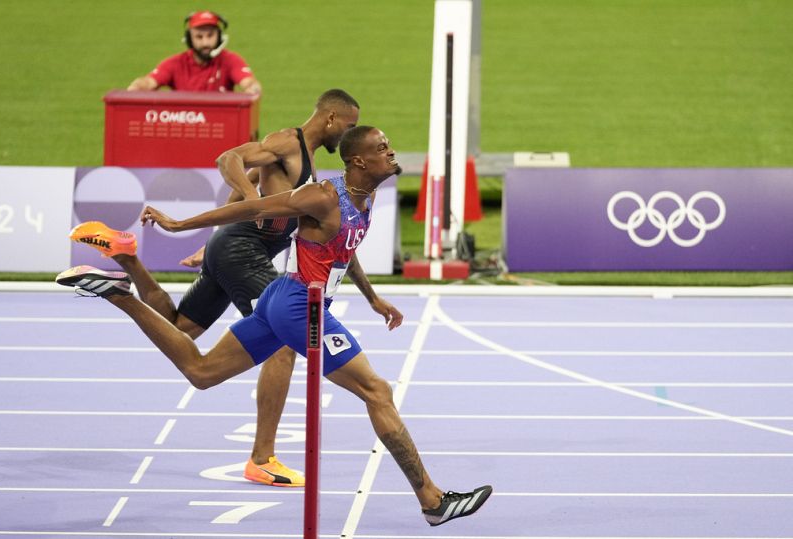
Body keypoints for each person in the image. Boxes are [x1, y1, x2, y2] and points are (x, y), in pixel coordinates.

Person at [57, 126, 492, 526]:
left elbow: (347, 246)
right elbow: (253, 207)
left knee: (202, 372)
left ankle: (118, 294)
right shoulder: (322, 196)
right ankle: (433, 501)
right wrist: (179, 226)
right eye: (382, 148)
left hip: (282, 299)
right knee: (377, 391)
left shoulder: (366, 195)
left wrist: (372, 296)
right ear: (359, 161)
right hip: (299, 304)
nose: (391, 152)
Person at [67, 90, 403, 488]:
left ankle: (126, 261)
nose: (347, 138)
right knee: (283, 341)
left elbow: (341, 246)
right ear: (331, 119)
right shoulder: (288, 144)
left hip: (232, 246)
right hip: (244, 249)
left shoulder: (319, 177)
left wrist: (371, 296)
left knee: (183, 332)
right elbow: (229, 160)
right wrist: (245, 198)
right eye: (348, 127)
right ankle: (263, 457)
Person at [128, 10, 262, 97]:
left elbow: (249, 82)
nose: (205, 43)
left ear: (219, 36)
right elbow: (149, 82)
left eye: (210, 35)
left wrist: (253, 88)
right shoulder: (175, 63)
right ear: (189, 39)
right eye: (199, 36)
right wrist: (137, 86)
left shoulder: (230, 60)